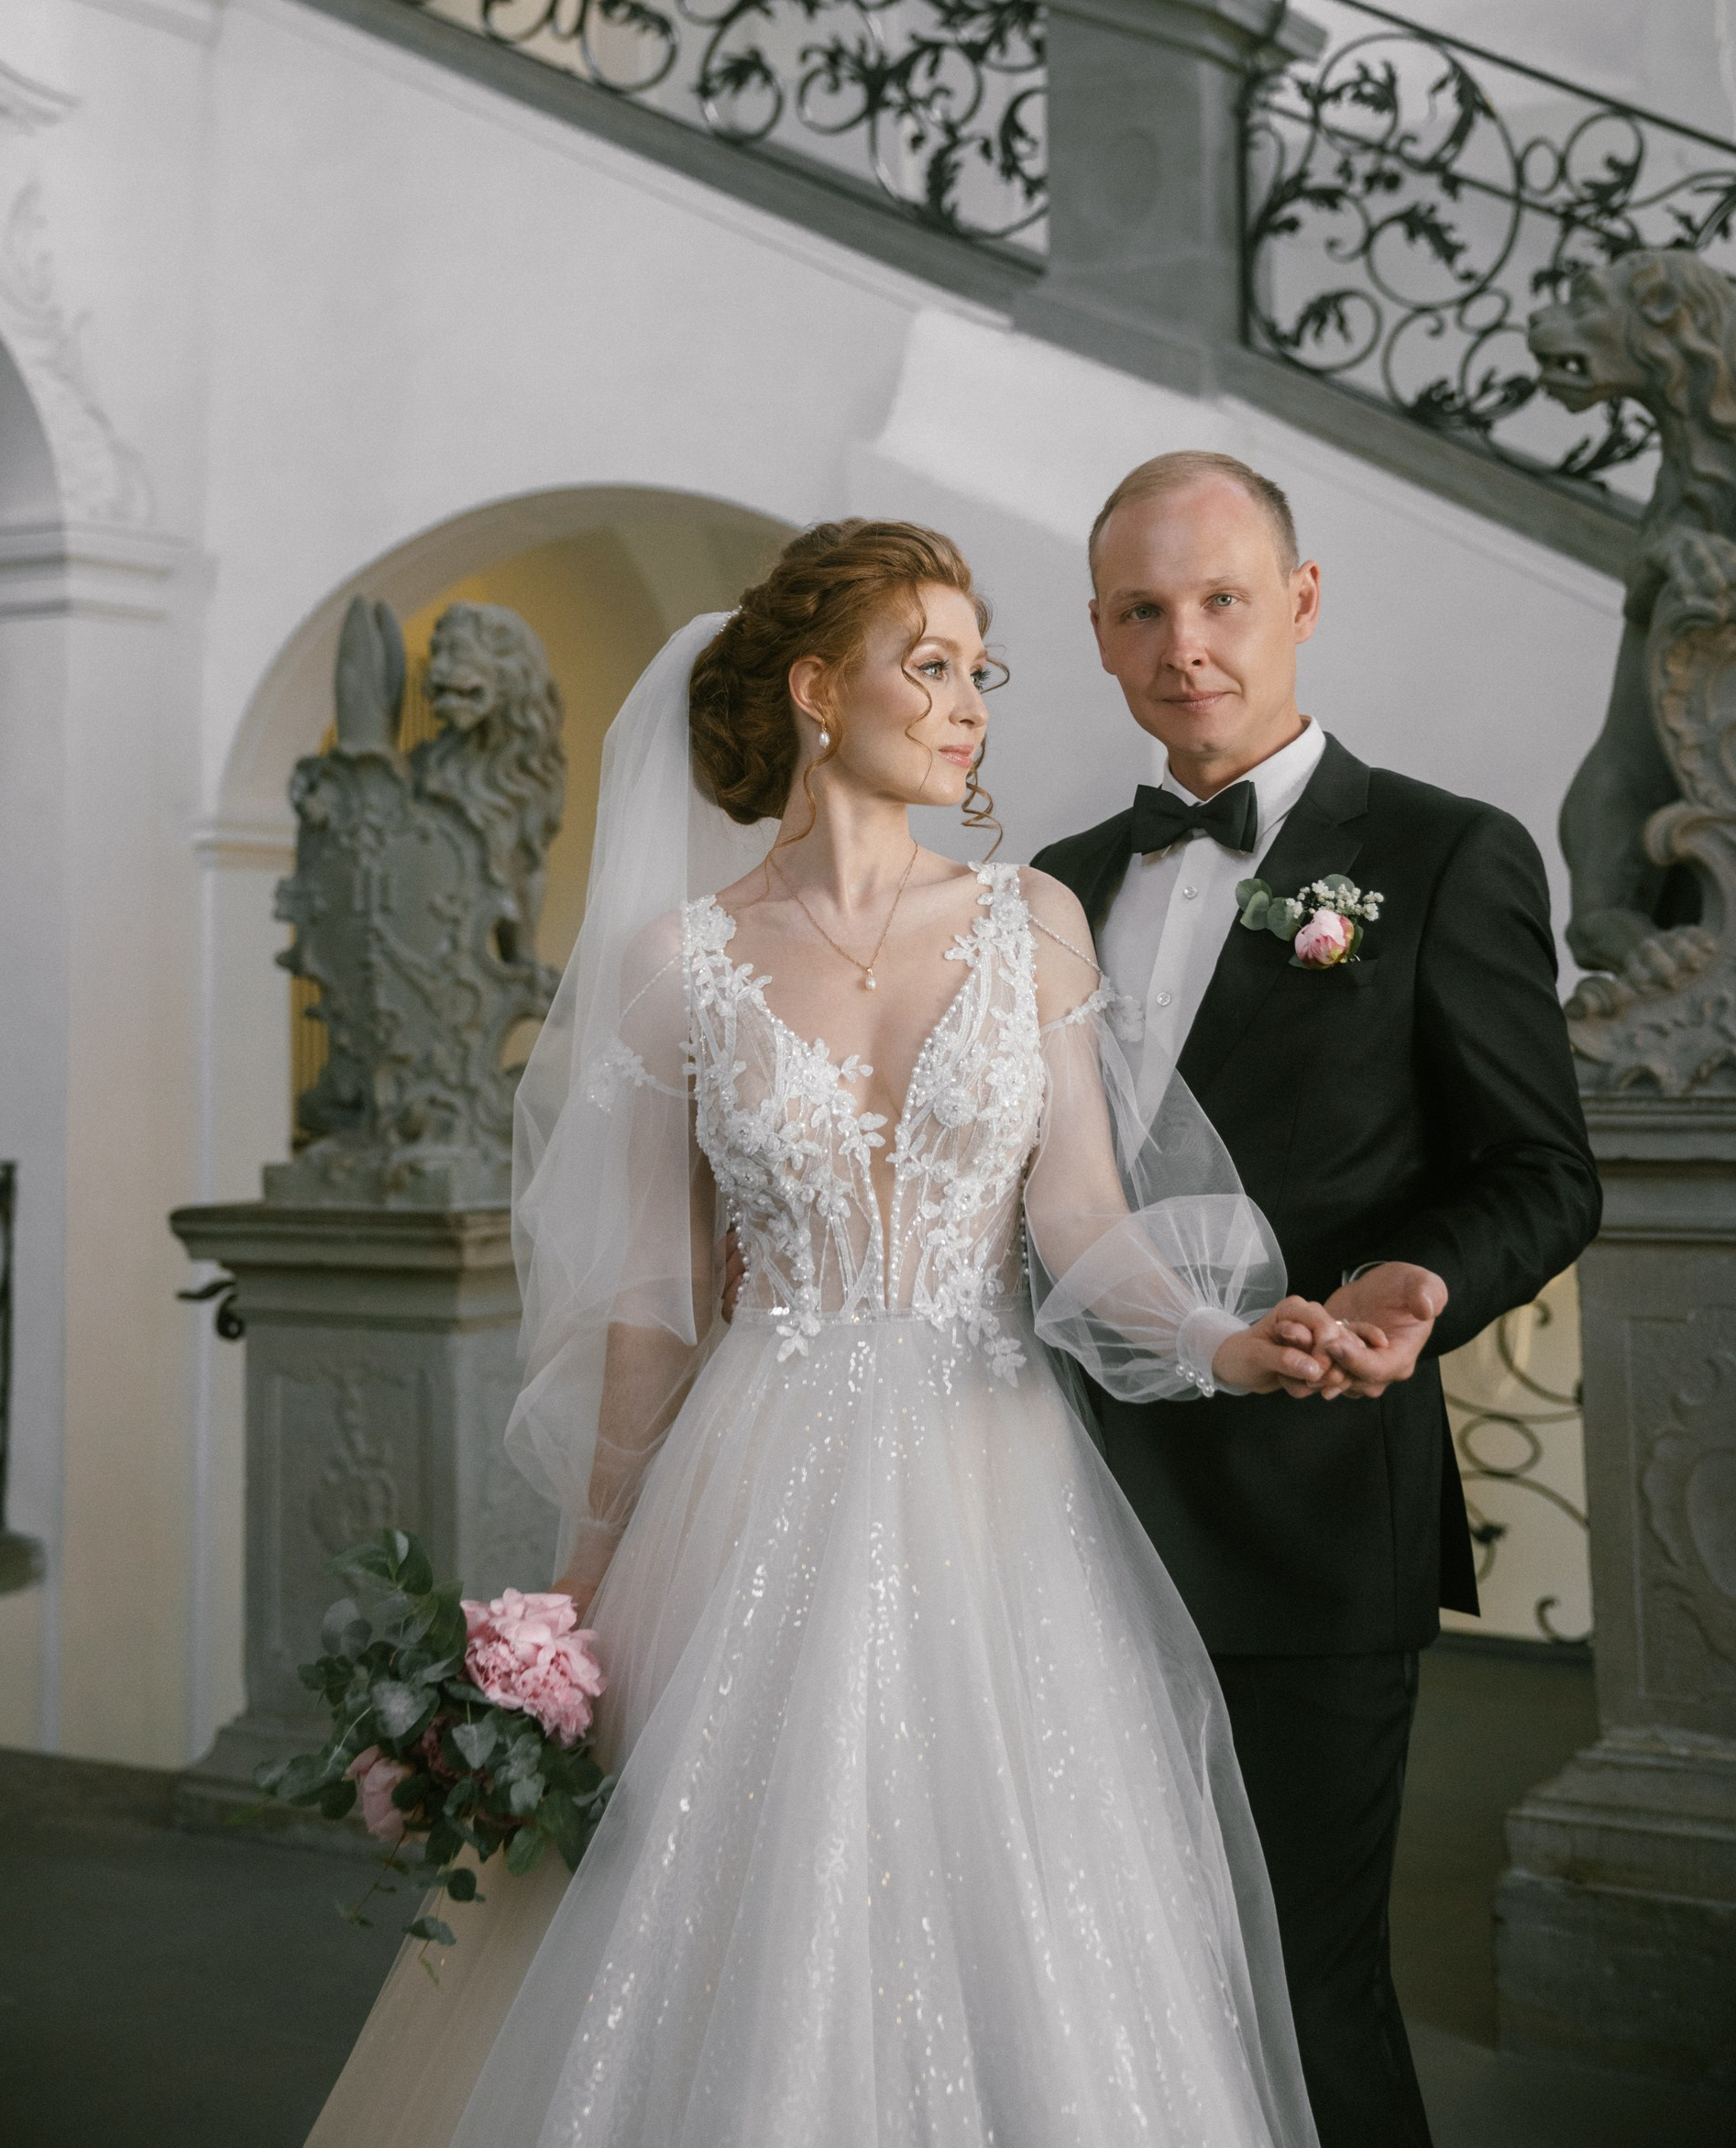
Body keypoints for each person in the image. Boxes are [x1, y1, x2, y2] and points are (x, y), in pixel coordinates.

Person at [307, 518, 1366, 2148]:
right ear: (817, 689)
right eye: (927, 667)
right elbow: (654, 1322)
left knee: (1018, 1906)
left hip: (994, 1478)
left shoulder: (1032, 925)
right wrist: (576, 1594)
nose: (969, 707)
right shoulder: (685, 965)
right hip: (751, 1486)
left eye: (977, 670)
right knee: (736, 1902)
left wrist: (1232, 1344)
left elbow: (1080, 1222)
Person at [1032, 451, 1602, 2148]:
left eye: (1220, 598)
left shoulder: (1443, 855)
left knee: (1300, 1976)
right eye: (1143, 610)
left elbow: (1541, 1172)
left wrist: (1419, 1280)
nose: (1185, 642)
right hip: (1057, 1516)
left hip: (1311, 1517)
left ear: (1302, 601)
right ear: (1100, 635)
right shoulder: (1049, 888)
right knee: (1097, 1975)